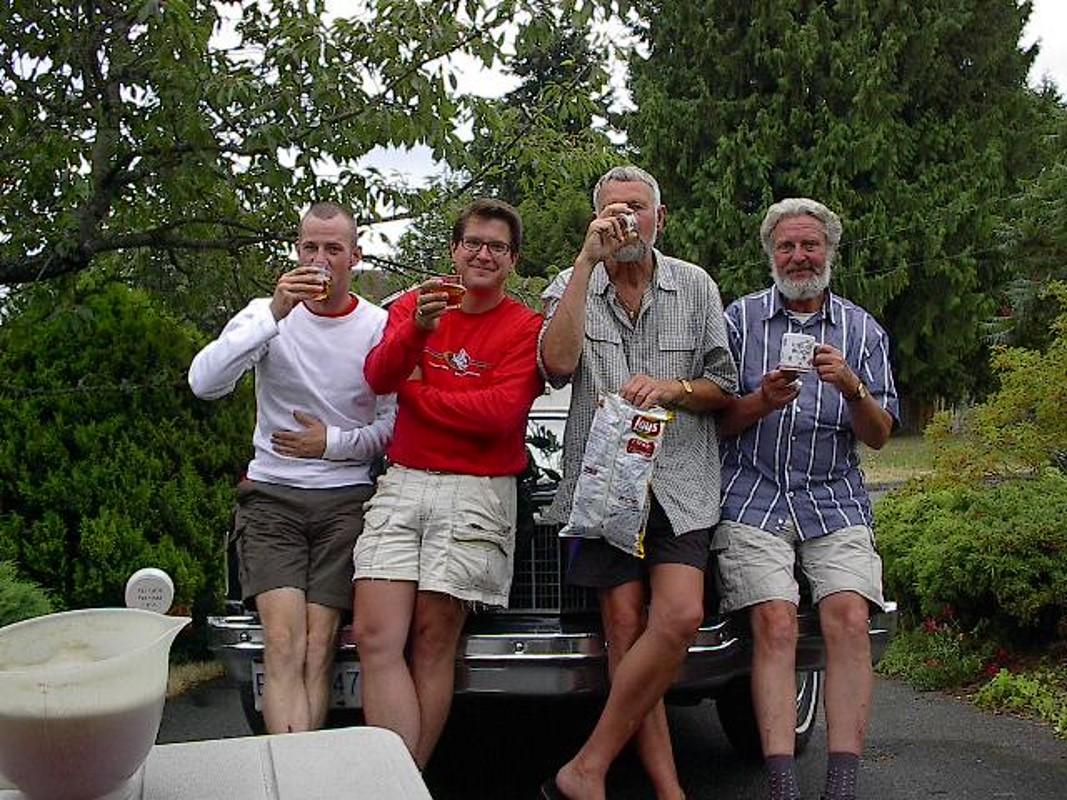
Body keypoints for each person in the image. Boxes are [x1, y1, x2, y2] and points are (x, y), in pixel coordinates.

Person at [539, 165, 738, 800]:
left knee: (679, 617)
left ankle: (587, 766)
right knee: (624, 633)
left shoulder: (695, 285)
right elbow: (557, 364)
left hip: (679, 481)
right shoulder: (570, 283)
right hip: (603, 489)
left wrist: (673, 389)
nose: (626, 219)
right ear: (596, 219)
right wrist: (584, 262)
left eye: (637, 207)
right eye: (612, 209)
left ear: (660, 218)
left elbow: (723, 384)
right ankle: (667, 789)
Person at [715, 198, 899, 800]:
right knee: (774, 620)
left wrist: (852, 387)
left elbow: (879, 435)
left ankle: (841, 783)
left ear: (830, 252)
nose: (799, 257)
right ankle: (782, 783)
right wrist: (760, 400)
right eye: (787, 246)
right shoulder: (739, 321)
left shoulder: (861, 330)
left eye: (810, 245)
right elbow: (715, 424)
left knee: (849, 617)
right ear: (771, 255)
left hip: (832, 496)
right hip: (753, 493)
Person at [188, 202, 396, 734]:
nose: (320, 260)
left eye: (333, 249)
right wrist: (273, 315)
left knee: (319, 644)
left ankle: (304, 767)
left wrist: (331, 444)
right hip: (272, 498)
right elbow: (204, 383)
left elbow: (390, 428)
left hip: (345, 501)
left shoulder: (378, 326)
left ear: (355, 256)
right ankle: (294, 767)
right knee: (282, 641)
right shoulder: (266, 315)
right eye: (310, 247)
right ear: (297, 251)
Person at [354, 198, 544, 769]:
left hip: (478, 489)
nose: (484, 254)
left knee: (433, 641)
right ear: (455, 250)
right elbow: (377, 377)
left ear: (513, 260)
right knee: (374, 636)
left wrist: (417, 392)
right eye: (474, 243)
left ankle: (405, 779)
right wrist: (416, 331)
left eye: (497, 247)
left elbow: (499, 417)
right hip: (404, 479)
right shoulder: (416, 305)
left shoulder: (525, 326)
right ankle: (399, 782)